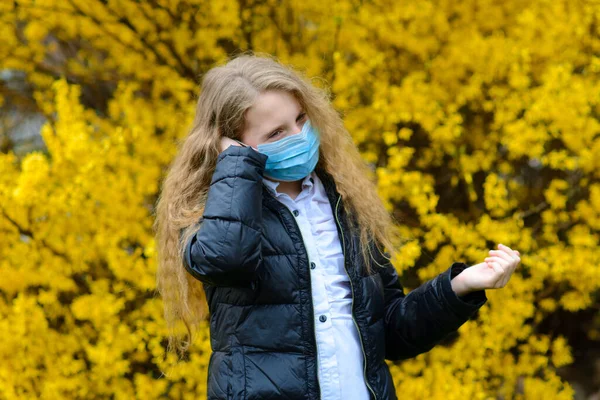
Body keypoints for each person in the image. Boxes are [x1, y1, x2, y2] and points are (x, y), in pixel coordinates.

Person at [154, 52, 521, 400]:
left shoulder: (345, 204)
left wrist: (460, 287)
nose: (298, 137)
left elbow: (390, 332)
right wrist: (234, 164)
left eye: (301, 119)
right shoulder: (210, 212)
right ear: (230, 143)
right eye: (275, 134)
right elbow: (226, 259)